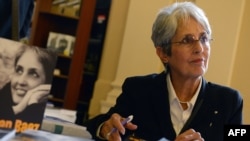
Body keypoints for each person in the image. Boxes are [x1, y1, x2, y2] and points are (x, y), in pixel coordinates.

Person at [83, 2, 243, 141]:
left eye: (204, 38)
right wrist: (105, 128)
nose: (199, 48)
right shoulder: (139, 90)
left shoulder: (229, 101)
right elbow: (93, 126)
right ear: (163, 53)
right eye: (187, 40)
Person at [0, 45, 57, 125]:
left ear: (47, 85)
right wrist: (19, 108)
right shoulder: (3, 95)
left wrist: (32, 104)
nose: (21, 81)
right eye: (19, 70)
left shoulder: (48, 116)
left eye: (33, 74)